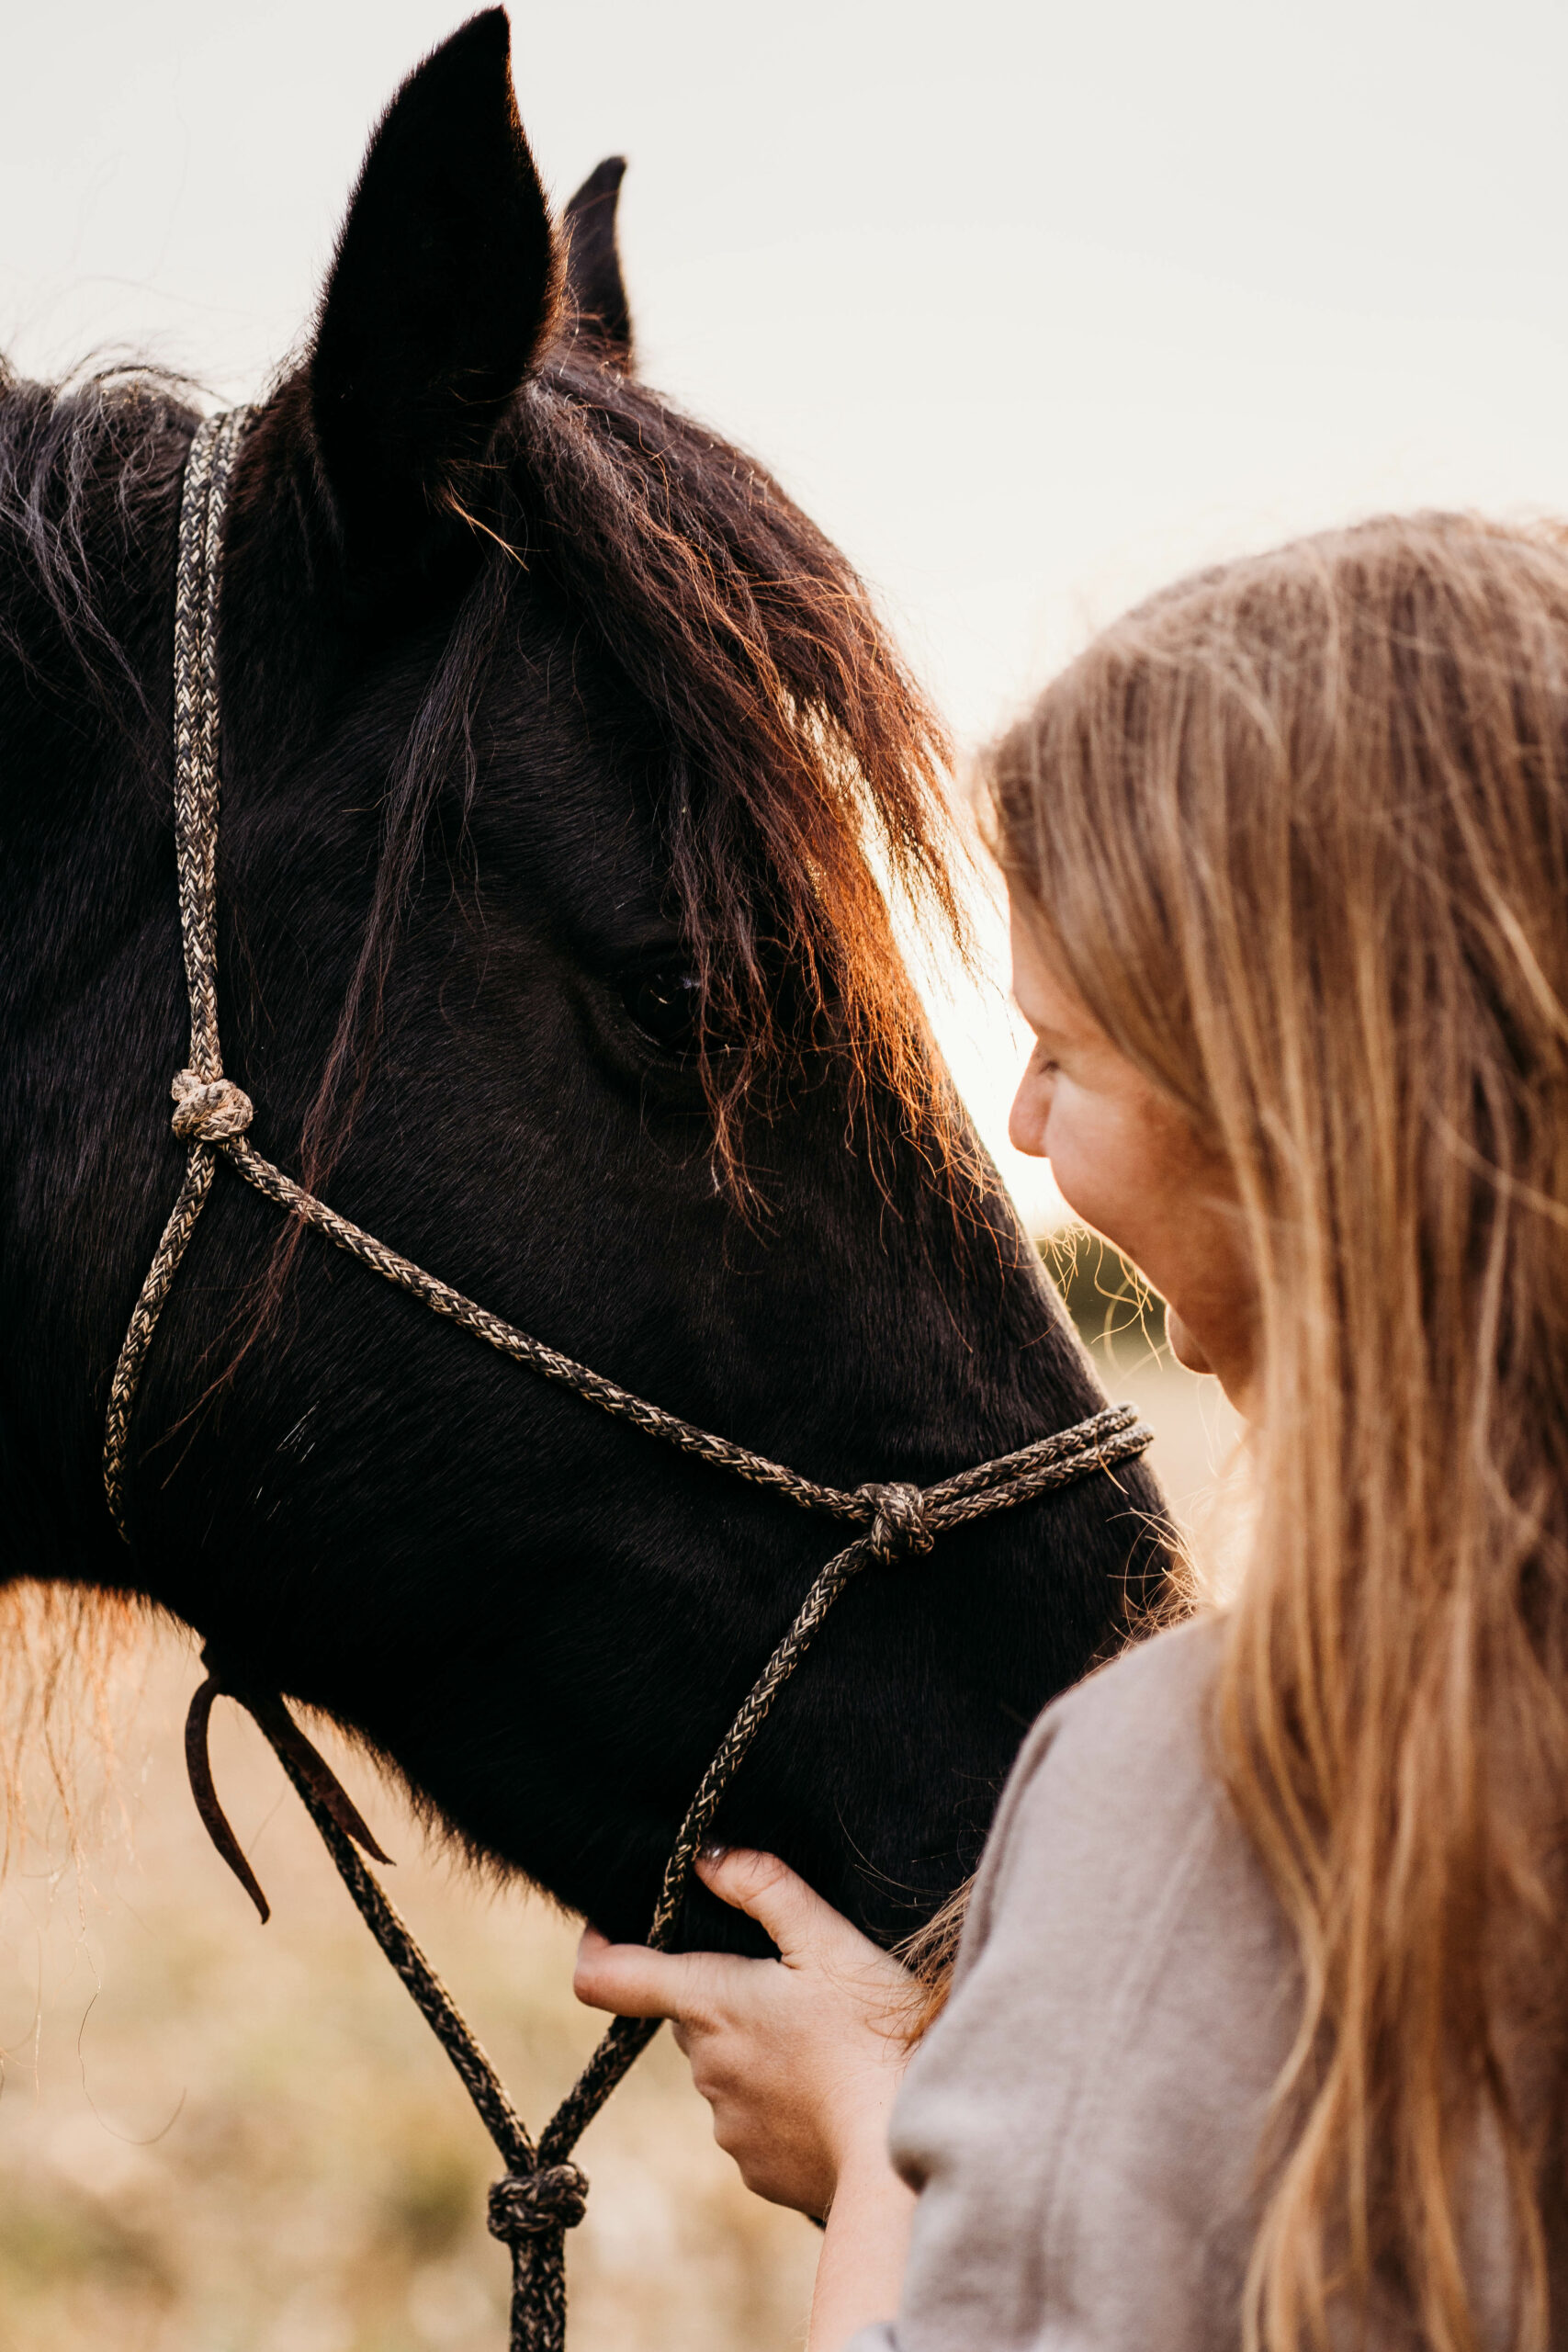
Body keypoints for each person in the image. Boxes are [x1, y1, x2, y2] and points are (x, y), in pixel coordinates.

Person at [574, 514, 1568, 2352]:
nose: (1020, 1126)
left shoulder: (1218, 1792)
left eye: (1064, 1050)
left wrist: (882, 2138)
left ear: (1291, 1109)